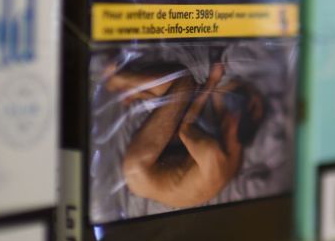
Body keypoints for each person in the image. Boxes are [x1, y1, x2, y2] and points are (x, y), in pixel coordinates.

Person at [103, 61, 264, 208]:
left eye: (227, 113)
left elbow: (184, 127)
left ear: (234, 121)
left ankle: (116, 80)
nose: (223, 111)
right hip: (152, 175)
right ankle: (134, 92)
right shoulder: (235, 158)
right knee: (177, 101)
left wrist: (211, 82)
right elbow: (221, 112)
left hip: (139, 169)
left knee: (184, 82)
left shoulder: (213, 155)